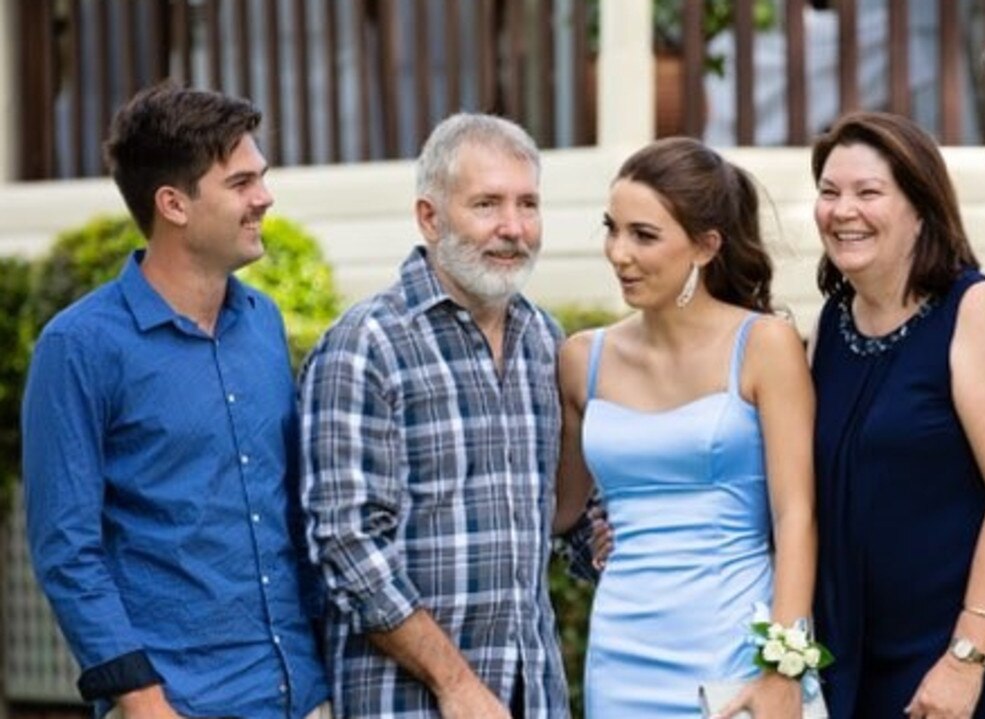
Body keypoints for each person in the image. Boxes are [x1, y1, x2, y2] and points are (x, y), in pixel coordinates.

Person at [21, 83, 329, 718]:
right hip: (181, 704)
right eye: (241, 182)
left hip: (297, 696)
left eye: (261, 178)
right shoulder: (79, 347)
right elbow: (65, 547)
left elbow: (291, 512)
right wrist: (143, 701)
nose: (264, 197)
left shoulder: (264, 324)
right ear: (174, 204)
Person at [300, 113, 569, 719]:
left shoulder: (545, 341)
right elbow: (347, 543)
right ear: (430, 217)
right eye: (486, 204)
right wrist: (457, 685)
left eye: (528, 204)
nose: (513, 228)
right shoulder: (368, 344)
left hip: (532, 695)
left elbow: (562, 519)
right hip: (409, 703)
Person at [553, 136, 819, 718]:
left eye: (643, 235)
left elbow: (796, 516)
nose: (618, 253)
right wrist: (592, 539)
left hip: (735, 650)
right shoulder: (581, 360)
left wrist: (784, 665)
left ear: (705, 247)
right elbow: (560, 511)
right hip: (621, 654)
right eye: (612, 228)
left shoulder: (764, 345)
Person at [807, 111, 985, 718]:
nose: (844, 211)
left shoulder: (976, 311)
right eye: (829, 192)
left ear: (921, 209)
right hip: (856, 654)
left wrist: (966, 659)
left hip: (964, 652)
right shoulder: (831, 326)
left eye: (869, 193)